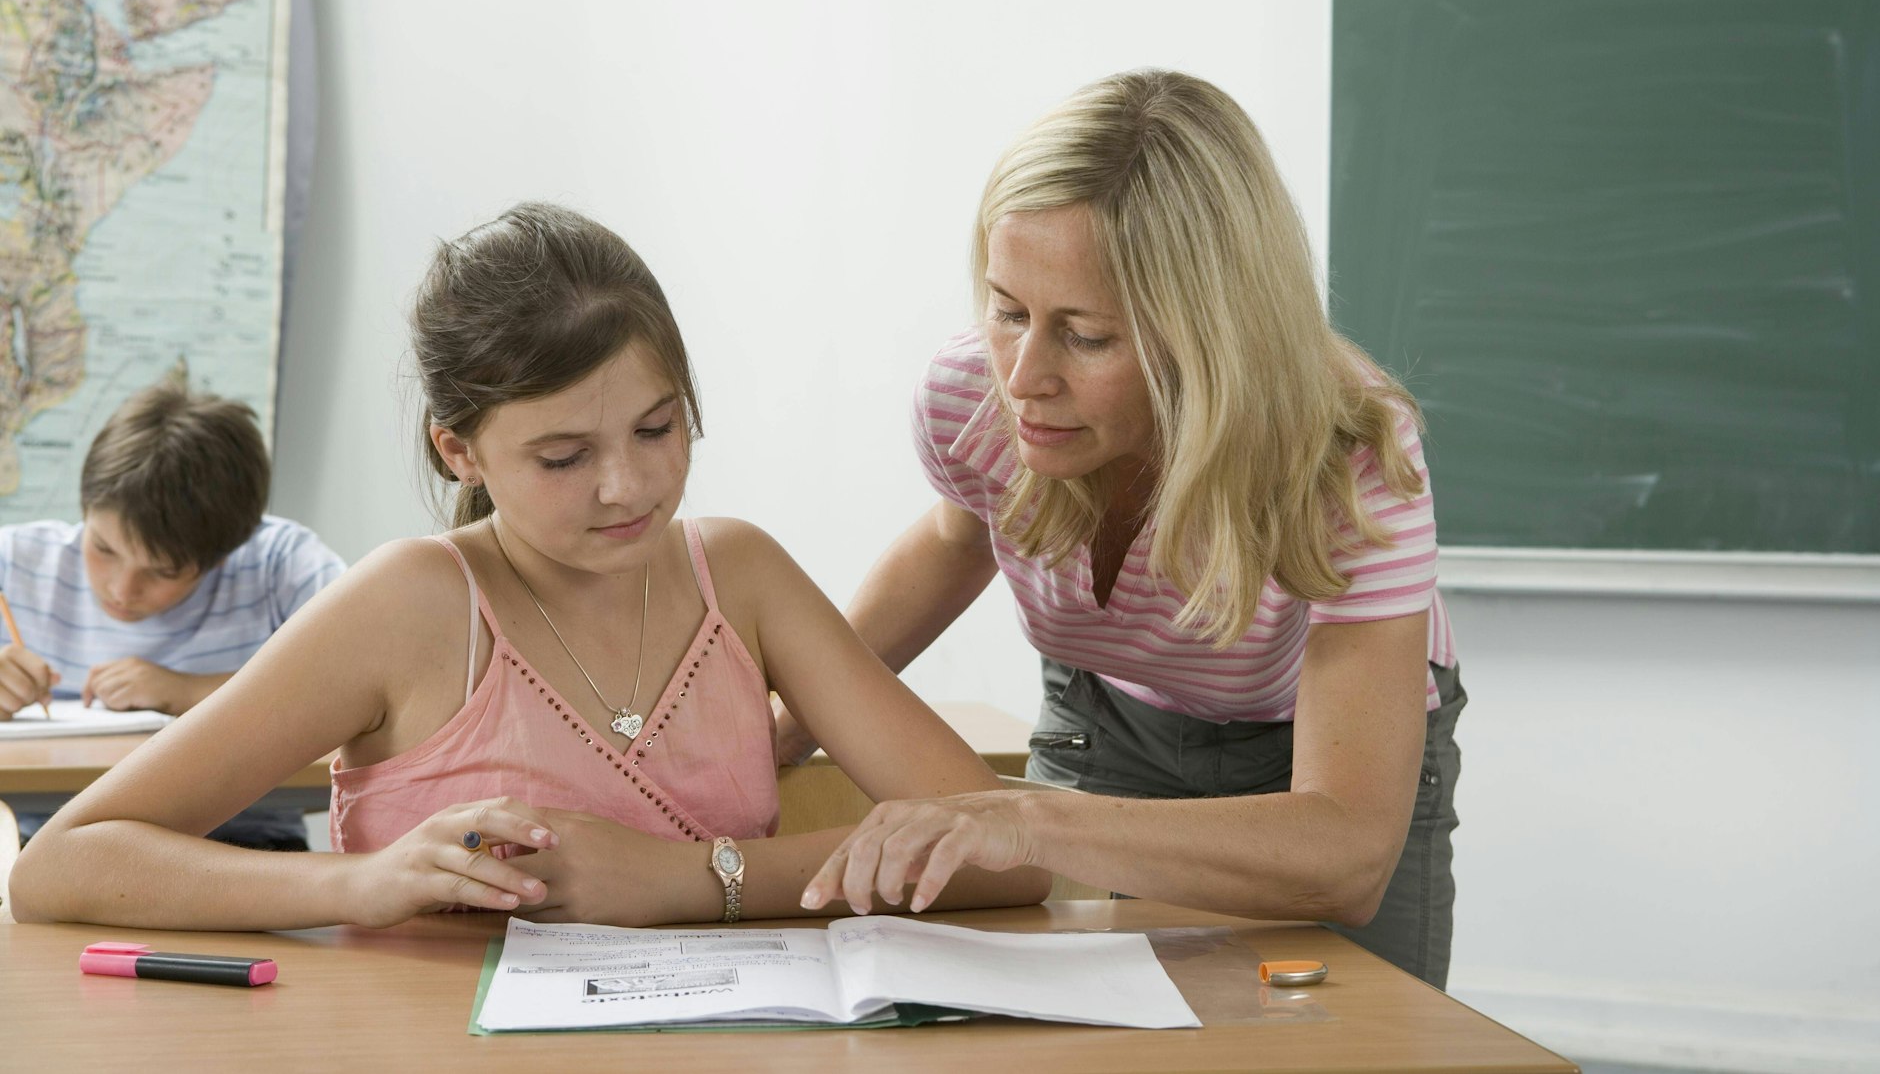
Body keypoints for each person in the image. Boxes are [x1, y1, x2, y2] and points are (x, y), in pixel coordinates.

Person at [8, 202, 1047, 929]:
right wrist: (358, 883)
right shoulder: (409, 603)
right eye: (562, 457)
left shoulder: (741, 575)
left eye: (656, 427)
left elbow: (1012, 850)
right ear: (458, 450)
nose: (626, 486)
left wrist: (695, 877)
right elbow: (61, 864)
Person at [788, 70, 1465, 987]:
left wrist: (1028, 816)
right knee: (1073, 1021)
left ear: (1209, 335)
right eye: (1009, 311)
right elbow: (954, 542)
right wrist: (780, 728)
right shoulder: (969, 397)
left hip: (1310, 752)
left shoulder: (1348, 457)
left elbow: (1345, 851)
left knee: (1356, 1033)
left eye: (1086, 335)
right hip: (1106, 717)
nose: (1022, 377)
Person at [0, 378, 345, 850]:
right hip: (47, 843)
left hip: (245, 843)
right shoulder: (14, 561)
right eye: (103, 548)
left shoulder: (278, 563)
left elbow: (361, 684)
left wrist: (186, 692)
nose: (121, 590)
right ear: (85, 508)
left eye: (163, 571)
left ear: (222, 557)